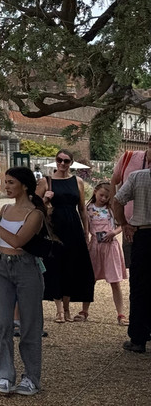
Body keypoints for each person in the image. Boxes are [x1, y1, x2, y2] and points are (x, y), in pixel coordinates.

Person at [0, 166, 46, 397]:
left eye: (11, 182)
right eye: (5, 182)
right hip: (1, 267)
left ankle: (31, 377)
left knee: (30, 326)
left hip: (27, 268)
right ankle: (5, 375)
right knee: (2, 324)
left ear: (24, 185)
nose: (6, 186)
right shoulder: (4, 208)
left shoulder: (35, 214)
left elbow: (17, 241)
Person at [36, 149, 95, 322]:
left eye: (66, 161)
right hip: (54, 228)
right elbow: (34, 206)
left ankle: (68, 308)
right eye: (59, 160)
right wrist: (45, 200)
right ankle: (59, 310)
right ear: (55, 161)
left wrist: (86, 231)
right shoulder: (45, 181)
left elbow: (82, 209)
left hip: (73, 226)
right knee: (54, 266)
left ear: (71, 162)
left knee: (72, 266)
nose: (62, 164)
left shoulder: (77, 181)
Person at [111, 165, 151, 353]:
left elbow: (117, 201)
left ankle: (138, 338)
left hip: (143, 234)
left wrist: (124, 224)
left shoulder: (138, 176)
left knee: (140, 287)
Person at [85, 182, 127, 324]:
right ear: (95, 191)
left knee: (115, 282)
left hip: (111, 247)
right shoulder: (88, 209)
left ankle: (121, 313)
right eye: (101, 195)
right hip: (95, 246)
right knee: (90, 280)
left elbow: (123, 224)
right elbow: (85, 228)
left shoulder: (112, 209)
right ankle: (84, 310)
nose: (103, 198)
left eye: (106, 197)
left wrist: (114, 232)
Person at [112, 132, 151, 268]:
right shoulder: (129, 158)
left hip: (136, 227)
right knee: (135, 268)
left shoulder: (136, 175)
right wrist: (120, 221)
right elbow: (114, 182)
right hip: (131, 227)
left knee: (138, 274)